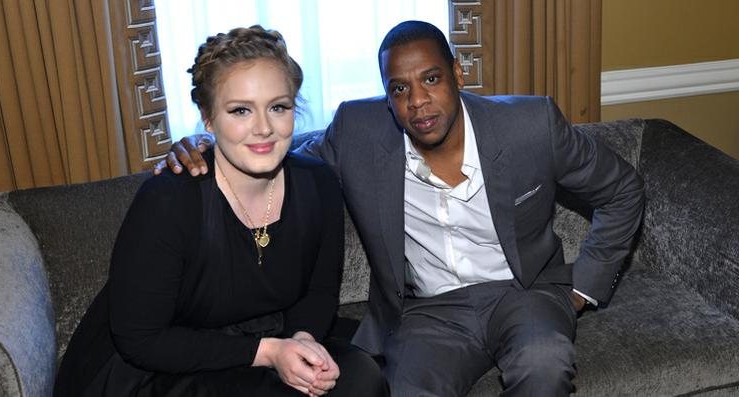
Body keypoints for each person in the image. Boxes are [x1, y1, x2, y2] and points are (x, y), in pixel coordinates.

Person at [157, 21, 645, 396]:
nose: (418, 101)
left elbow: (622, 189)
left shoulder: (529, 125)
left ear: (457, 73)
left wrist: (583, 290)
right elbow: (281, 162)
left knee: (545, 364)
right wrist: (211, 143)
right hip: (428, 312)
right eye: (399, 88)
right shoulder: (357, 131)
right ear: (386, 97)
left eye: (431, 78)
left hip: (525, 293)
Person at [55, 25, 388, 397]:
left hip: (267, 339)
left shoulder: (319, 184)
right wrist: (268, 352)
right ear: (209, 118)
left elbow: (320, 293)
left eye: (278, 107)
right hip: (161, 365)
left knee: (361, 379)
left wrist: (301, 342)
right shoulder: (168, 200)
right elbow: (141, 339)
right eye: (240, 110)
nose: (263, 128)